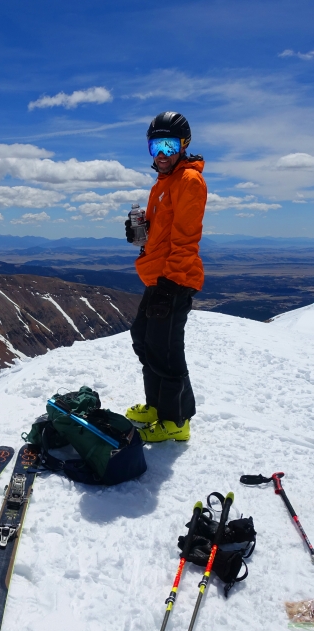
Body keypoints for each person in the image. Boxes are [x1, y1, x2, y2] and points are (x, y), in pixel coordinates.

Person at [124, 111, 207, 442]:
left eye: (169, 145)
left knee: (167, 349)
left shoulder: (189, 182)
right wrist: (141, 229)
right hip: (158, 278)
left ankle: (176, 420)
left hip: (174, 279)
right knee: (144, 339)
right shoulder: (163, 184)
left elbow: (186, 239)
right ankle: (158, 407)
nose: (162, 154)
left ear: (183, 146)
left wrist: (170, 285)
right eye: (156, 145)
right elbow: (163, 233)